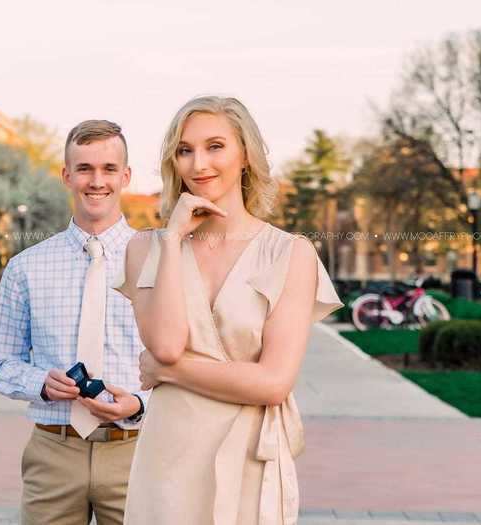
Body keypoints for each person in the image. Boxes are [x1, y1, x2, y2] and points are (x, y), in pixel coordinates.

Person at [113, 96, 344, 524]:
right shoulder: (145, 247)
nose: (199, 163)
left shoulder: (291, 254)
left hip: (250, 457)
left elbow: (273, 382)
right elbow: (165, 345)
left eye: (215, 146)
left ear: (245, 155)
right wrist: (174, 238)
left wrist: (172, 374)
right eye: (185, 150)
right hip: (169, 459)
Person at [0, 120, 148, 525]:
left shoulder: (158, 262)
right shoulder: (25, 268)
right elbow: (0, 364)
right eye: (85, 168)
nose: (97, 181)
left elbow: (185, 365)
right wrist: (39, 382)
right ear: (66, 175)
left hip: (139, 451)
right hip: (53, 453)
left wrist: (141, 404)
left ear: (125, 176)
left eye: (109, 169)